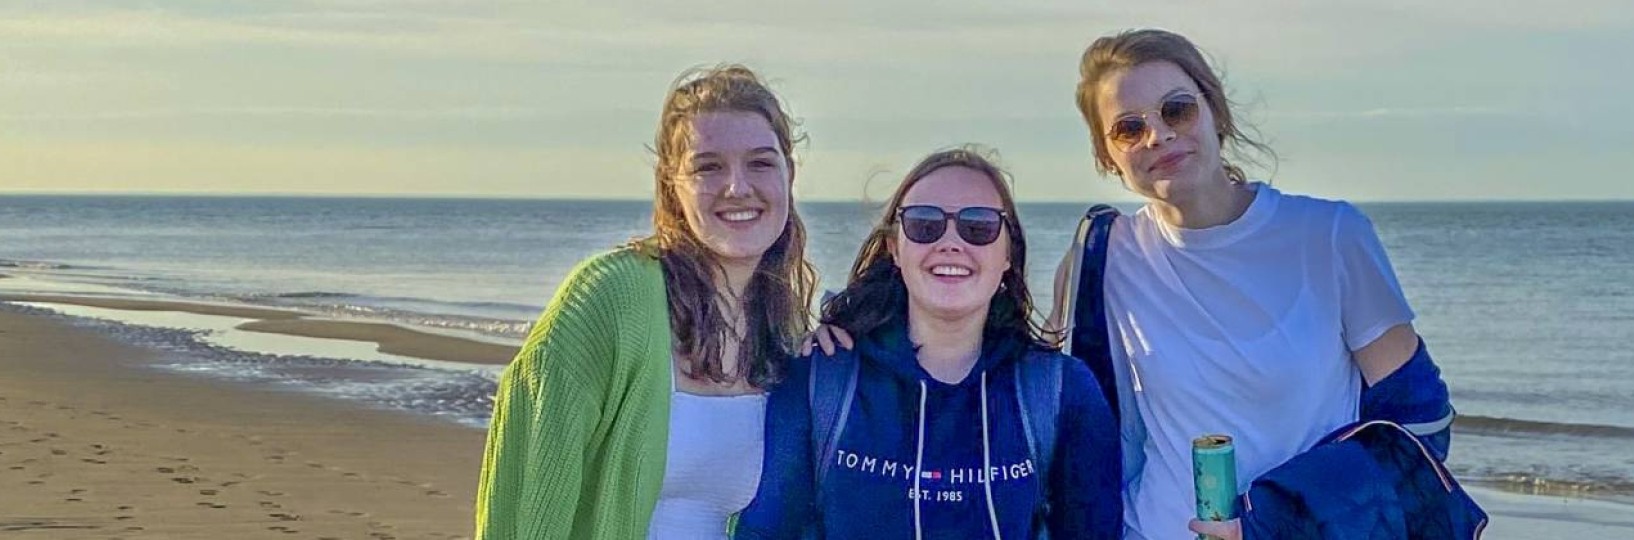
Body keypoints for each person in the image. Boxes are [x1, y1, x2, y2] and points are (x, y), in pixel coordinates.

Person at [1060, 29, 1464, 539]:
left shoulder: (1332, 236)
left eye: (1177, 110)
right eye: (1127, 128)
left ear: (1216, 113)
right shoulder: (1099, 256)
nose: (1157, 136)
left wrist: (1279, 517)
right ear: (1106, 156)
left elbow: (1419, 425)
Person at [475, 64, 817, 539]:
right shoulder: (610, 298)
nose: (738, 187)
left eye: (761, 162)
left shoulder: (785, 331)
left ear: (788, 175)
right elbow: (526, 487)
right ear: (672, 185)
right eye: (708, 166)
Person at [737, 147, 1122, 539]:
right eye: (924, 224)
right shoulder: (820, 379)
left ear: (1008, 252)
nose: (951, 243)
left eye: (979, 226)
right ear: (895, 248)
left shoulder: (1059, 391)